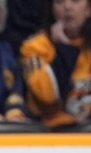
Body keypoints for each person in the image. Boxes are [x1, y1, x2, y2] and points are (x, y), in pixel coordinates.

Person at [20, 0, 91, 130]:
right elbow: (47, 97)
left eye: (75, 1)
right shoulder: (34, 47)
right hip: (53, 133)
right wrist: (63, 47)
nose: (67, 7)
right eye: (59, 2)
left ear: (88, 10)